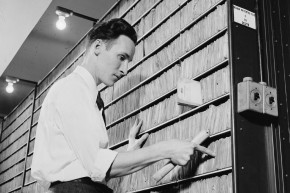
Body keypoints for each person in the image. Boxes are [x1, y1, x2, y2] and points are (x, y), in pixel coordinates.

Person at [31, 18, 214, 193]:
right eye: (121, 57)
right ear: (97, 47)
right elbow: (96, 164)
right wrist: (167, 148)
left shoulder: (85, 94)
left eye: (128, 62)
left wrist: (129, 154)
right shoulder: (72, 89)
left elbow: (89, 166)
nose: (125, 70)